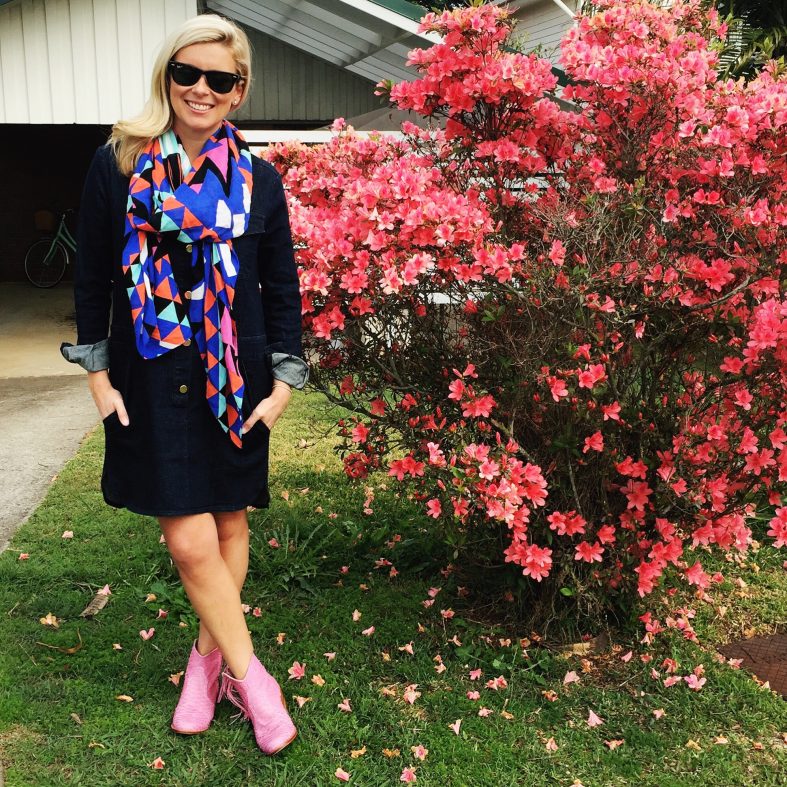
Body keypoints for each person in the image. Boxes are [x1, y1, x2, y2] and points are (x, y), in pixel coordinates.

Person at [60, 13, 307, 756]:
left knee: (229, 522)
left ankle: (205, 666)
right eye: (186, 72)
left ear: (238, 92)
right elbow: (92, 274)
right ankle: (255, 680)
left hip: (235, 374)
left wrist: (284, 382)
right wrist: (97, 376)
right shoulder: (117, 163)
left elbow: (280, 285)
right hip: (152, 370)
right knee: (189, 537)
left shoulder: (259, 180)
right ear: (167, 76)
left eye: (218, 79)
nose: (201, 88)